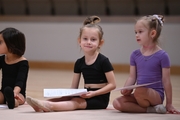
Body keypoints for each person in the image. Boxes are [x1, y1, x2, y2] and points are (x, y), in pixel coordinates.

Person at [26, 16, 116, 112]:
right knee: (66, 98)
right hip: (86, 94)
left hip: (99, 98)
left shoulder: (103, 61)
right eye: (85, 39)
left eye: (93, 39)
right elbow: (74, 88)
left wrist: (93, 94)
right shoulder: (79, 62)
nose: (88, 42)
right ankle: (42, 103)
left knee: (77, 102)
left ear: (100, 43)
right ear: (79, 41)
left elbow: (112, 84)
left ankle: (50, 106)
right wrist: (66, 95)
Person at [113, 14, 180, 114]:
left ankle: (155, 105)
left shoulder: (162, 55)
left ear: (152, 33)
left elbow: (166, 81)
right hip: (139, 94)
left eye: (140, 32)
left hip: (155, 95)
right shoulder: (134, 55)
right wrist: (126, 88)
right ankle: (151, 109)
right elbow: (132, 77)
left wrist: (169, 103)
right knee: (117, 103)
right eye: (135, 32)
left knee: (140, 90)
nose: (136, 35)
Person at [0, 27, 29, 109]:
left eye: (0, 42)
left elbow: (20, 81)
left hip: (18, 93)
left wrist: (14, 93)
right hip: (3, 92)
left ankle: (12, 102)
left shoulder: (23, 63)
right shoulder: (2, 59)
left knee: (19, 100)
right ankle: (9, 99)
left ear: (11, 45)